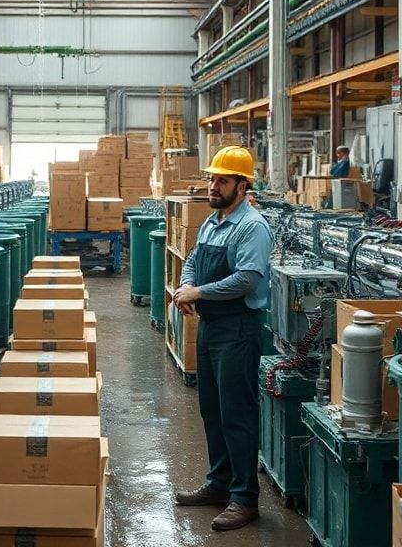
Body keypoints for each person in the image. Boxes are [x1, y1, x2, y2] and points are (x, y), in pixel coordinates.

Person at [173, 146, 274, 532]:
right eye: (212, 178)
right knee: (212, 411)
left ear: (242, 185)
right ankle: (218, 484)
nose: (213, 186)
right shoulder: (213, 222)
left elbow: (248, 279)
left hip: (238, 330)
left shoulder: (252, 226)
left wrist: (198, 293)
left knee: (237, 416)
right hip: (212, 327)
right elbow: (195, 259)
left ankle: (244, 499)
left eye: (222, 180)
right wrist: (185, 285)